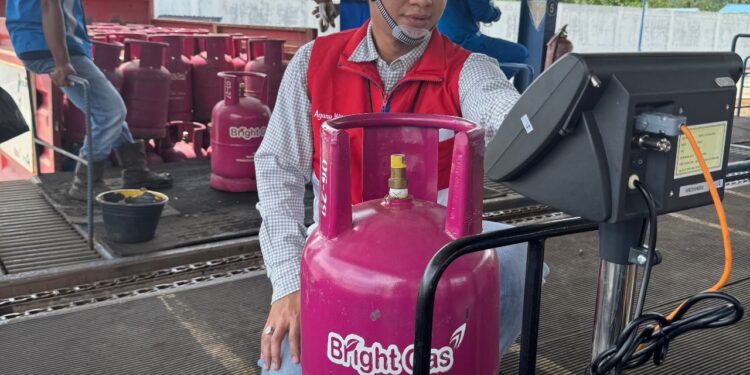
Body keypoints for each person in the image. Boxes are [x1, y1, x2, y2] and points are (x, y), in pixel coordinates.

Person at [256, 0, 539, 372]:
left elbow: (498, 107)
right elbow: (278, 169)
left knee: (519, 259)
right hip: (336, 250)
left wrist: (533, 127)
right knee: (287, 365)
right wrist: (289, 283)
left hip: (438, 253)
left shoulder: (469, 69)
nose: (423, 2)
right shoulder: (314, 63)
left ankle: (465, 360)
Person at [5, 0, 172, 200]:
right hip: (49, 44)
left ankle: (136, 171)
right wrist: (62, 61)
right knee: (111, 111)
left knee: (105, 110)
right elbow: (49, 5)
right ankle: (85, 182)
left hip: (41, 42)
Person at [437, 0, 529, 78]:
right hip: (463, 40)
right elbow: (482, 12)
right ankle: (489, 90)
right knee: (519, 53)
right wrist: (496, 13)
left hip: (439, 42)